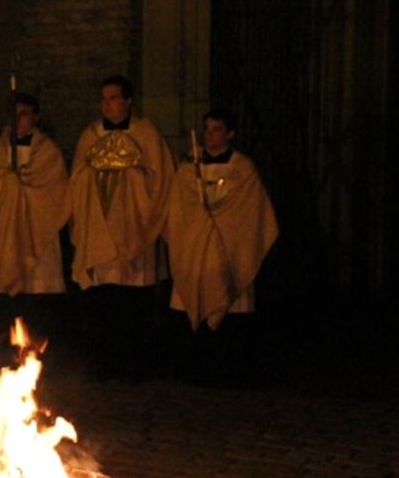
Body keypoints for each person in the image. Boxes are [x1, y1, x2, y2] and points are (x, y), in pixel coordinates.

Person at [67, 75, 174, 377]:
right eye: (103, 99)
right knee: (103, 302)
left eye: (113, 98)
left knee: (133, 303)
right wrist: (95, 172)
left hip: (134, 229)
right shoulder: (90, 136)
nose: (107, 104)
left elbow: (162, 179)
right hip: (99, 230)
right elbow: (76, 178)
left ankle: (135, 366)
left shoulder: (147, 134)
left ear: (128, 101)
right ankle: (103, 365)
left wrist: (132, 173)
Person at [164, 109, 278, 381]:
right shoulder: (189, 169)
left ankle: (230, 372)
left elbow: (251, 212)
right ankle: (196, 370)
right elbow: (179, 209)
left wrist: (221, 222)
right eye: (207, 129)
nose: (209, 135)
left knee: (230, 306)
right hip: (196, 251)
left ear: (230, 134)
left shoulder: (243, 169)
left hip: (230, 248)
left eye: (216, 129)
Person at [0, 94, 70, 341]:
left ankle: (35, 351)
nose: (18, 120)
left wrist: (22, 188)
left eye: (24, 114)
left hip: (36, 232)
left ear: (36, 117)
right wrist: (8, 185)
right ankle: (1, 349)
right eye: (13, 115)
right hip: (4, 234)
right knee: (1, 306)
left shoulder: (48, 152)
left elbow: (56, 194)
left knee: (35, 304)